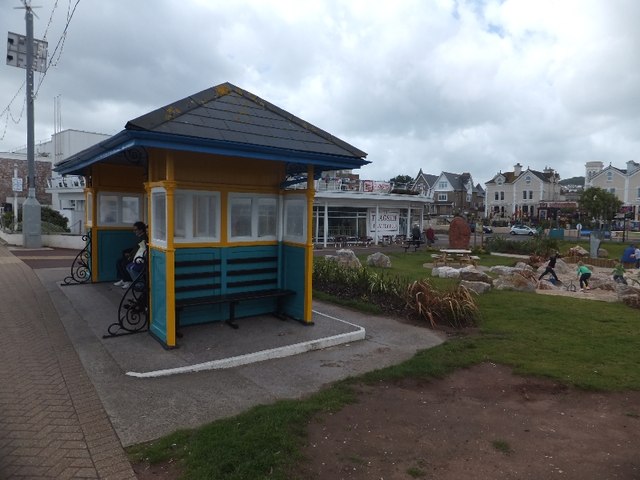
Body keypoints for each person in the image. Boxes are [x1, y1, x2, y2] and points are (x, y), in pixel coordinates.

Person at [114, 221, 148, 289]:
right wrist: (130, 254)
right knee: (119, 261)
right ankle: (124, 279)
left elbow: (140, 251)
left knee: (124, 263)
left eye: (136, 230)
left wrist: (130, 256)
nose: (134, 231)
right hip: (134, 256)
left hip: (138, 258)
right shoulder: (140, 237)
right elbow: (136, 249)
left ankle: (128, 281)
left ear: (141, 230)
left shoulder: (144, 238)